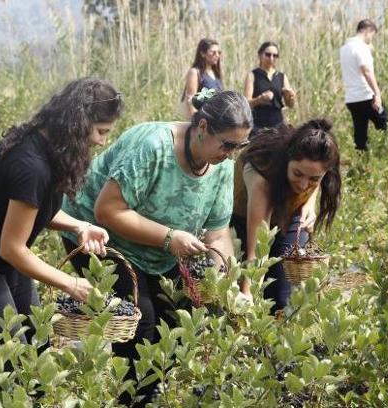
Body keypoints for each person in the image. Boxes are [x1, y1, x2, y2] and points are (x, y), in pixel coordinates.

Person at [61, 89, 252, 406]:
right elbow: (107, 211)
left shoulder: (219, 168)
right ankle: (132, 400)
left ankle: (152, 394)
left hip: (162, 247)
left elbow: (217, 236)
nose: (231, 154)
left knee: (178, 317)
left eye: (239, 146)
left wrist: (229, 287)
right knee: (141, 321)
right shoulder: (154, 147)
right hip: (99, 235)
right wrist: (169, 237)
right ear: (202, 127)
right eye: (227, 144)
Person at [0, 78, 123, 345]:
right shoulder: (31, 165)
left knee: (38, 340)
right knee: (12, 355)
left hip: (3, 260)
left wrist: (78, 226)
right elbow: (12, 248)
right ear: (78, 124)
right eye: (101, 132)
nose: (102, 142)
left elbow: (32, 207)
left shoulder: (49, 147)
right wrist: (70, 284)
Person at [230, 118, 341, 313]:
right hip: (244, 216)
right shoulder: (262, 176)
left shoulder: (317, 167)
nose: (303, 185)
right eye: (297, 174)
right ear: (287, 160)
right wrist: (246, 293)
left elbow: (311, 179)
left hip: (289, 214)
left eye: (314, 179)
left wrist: (308, 203)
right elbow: (257, 248)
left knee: (282, 298)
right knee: (244, 283)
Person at [340, 19, 382, 151]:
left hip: (352, 99)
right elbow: (366, 71)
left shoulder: (344, 48)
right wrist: (377, 93)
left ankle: (362, 166)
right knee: (386, 125)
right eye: (371, 35)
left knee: (360, 137)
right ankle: (384, 159)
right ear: (367, 31)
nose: (371, 38)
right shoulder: (361, 47)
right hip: (366, 96)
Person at [243, 41, 296, 136]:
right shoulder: (253, 75)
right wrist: (260, 99)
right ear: (260, 55)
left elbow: (290, 105)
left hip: (277, 125)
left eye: (275, 56)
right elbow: (246, 103)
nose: (271, 58)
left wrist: (291, 97)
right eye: (268, 55)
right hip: (258, 126)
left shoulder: (281, 76)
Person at [180, 38, 224, 119]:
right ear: (202, 54)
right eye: (213, 52)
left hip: (216, 120)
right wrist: (196, 123)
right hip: (202, 120)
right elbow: (191, 101)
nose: (217, 55)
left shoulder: (216, 74)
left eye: (219, 52)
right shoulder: (195, 73)